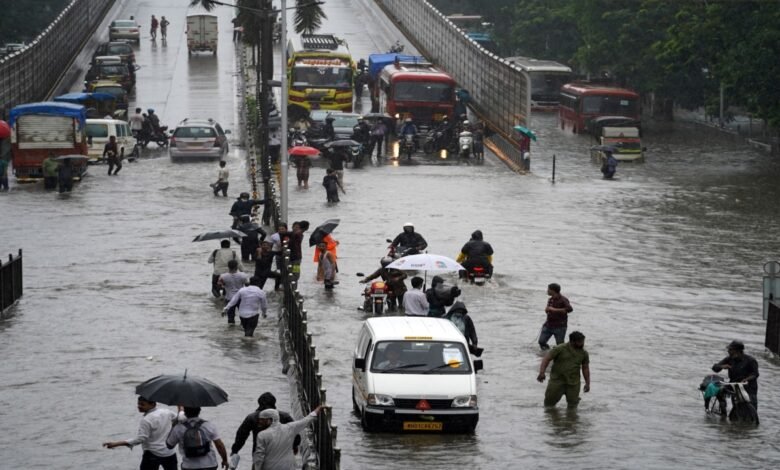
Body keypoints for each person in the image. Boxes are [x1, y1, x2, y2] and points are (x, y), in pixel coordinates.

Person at [103, 396, 184, 470]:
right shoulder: (166, 412)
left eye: (142, 404)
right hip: (169, 453)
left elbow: (140, 439)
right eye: (138, 404)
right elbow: (179, 419)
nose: (139, 406)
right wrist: (180, 408)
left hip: (152, 454)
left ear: (152, 404)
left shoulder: (147, 420)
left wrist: (117, 443)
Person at [230, 392, 300, 462]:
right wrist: (294, 446)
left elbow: (241, 436)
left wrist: (235, 451)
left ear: (259, 403)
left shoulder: (252, 418)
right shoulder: (284, 416)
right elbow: (295, 433)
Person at [253, 406, 323, 470]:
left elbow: (259, 456)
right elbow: (305, 421)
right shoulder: (290, 428)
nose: (259, 422)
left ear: (270, 420)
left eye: (262, 420)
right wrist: (317, 410)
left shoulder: (262, 435)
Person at [537, 331, 590, 408]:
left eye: (583, 341)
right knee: (549, 406)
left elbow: (585, 368)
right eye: (580, 342)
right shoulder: (560, 349)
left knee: (573, 407)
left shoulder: (584, 353)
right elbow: (546, 359)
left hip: (573, 383)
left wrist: (587, 383)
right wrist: (542, 372)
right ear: (572, 341)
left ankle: (570, 420)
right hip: (557, 382)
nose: (582, 344)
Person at [712, 340, 759, 411]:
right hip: (734, 385)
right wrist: (722, 366)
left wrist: (746, 379)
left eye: (730, 350)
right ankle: (723, 410)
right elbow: (715, 368)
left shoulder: (750, 360)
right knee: (719, 390)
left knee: (752, 408)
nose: (728, 351)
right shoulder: (729, 359)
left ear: (738, 351)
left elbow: (755, 374)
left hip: (749, 387)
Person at [538, 283, 574, 351]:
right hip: (548, 325)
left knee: (560, 345)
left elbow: (570, 309)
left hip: (560, 326)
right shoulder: (550, 299)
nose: (547, 290)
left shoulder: (563, 299)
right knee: (541, 342)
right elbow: (549, 310)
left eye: (548, 289)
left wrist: (554, 310)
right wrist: (547, 310)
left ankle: (561, 357)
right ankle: (547, 354)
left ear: (553, 290)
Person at [218, 259, 249, 324]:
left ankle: (231, 331)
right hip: (240, 298)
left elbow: (220, 286)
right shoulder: (243, 275)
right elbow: (247, 285)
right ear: (237, 267)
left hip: (229, 298)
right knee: (243, 317)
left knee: (230, 318)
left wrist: (221, 295)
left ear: (228, 267)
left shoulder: (223, 276)